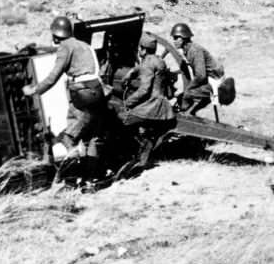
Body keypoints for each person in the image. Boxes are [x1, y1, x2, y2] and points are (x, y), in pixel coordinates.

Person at [22, 16, 107, 179]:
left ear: (55, 35)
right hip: (97, 92)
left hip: (82, 95)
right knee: (91, 138)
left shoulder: (64, 47)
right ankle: (92, 179)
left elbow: (53, 76)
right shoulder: (84, 45)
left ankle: (74, 177)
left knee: (68, 138)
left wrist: (34, 90)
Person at [120, 34, 176, 166]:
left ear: (143, 49)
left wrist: (128, 102)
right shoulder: (158, 60)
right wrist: (132, 72)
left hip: (152, 106)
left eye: (140, 48)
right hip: (163, 105)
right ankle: (142, 158)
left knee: (121, 120)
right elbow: (145, 69)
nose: (139, 51)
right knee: (142, 129)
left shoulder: (147, 63)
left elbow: (144, 90)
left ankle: (126, 157)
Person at [171, 23, 223, 115]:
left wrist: (189, 87)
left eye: (176, 38)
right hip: (208, 79)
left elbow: (201, 75)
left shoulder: (194, 50)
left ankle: (185, 115)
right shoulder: (188, 49)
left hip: (215, 82)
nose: (174, 41)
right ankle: (187, 112)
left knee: (187, 94)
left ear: (184, 38)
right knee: (182, 96)